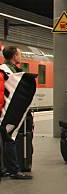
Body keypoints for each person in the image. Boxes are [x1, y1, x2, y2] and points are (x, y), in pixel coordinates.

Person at [1, 46, 32, 179]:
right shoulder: (11, 72)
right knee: (10, 139)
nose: (20, 57)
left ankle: (4, 169)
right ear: (14, 56)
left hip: (4, 111)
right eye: (19, 55)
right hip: (7, 112)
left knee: (4, 140)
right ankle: (14, 170)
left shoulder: (4, 69)